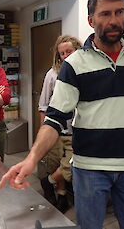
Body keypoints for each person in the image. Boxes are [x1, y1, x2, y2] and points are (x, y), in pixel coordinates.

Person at [0, 0, 124, 229]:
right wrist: (32, 159)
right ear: (91, 20)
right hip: (90, 170)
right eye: (105, 14)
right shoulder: (74, 65)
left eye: (119, 12)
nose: (114, 20)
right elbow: (54, 119)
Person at [39, 35, 82, 213]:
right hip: (57, 131)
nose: (65, 56)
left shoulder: (84, 72)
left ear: (78, 50)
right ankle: (61, 195)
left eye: (69, 52)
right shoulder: (52, 75)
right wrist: (43, 133)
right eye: (62, 53)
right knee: (55, 164)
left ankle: (47, 181)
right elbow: (43, 105)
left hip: (77, 132)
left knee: (69, 167)